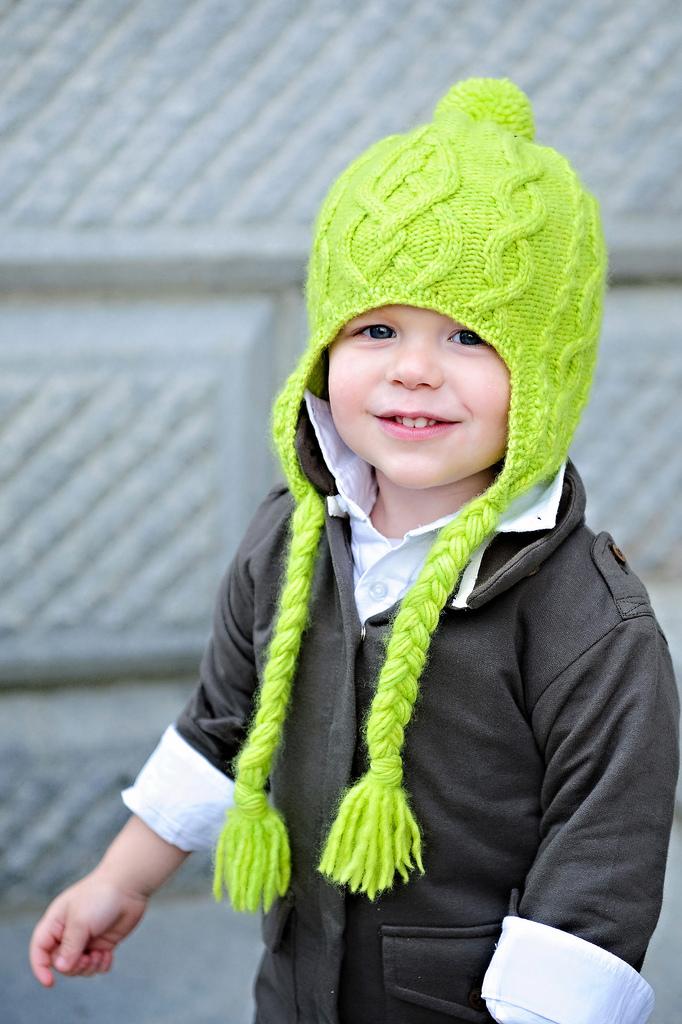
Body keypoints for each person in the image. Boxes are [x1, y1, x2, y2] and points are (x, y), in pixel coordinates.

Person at [29, 77, 679, 1024]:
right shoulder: (289, 541)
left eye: (468, 336)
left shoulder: (589, 624)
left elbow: (601, 867)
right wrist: (119, 879)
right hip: (296, 991)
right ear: (325, 349)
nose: (414, 367)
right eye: (377, 328)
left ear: (546, 378)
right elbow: (225, 721)